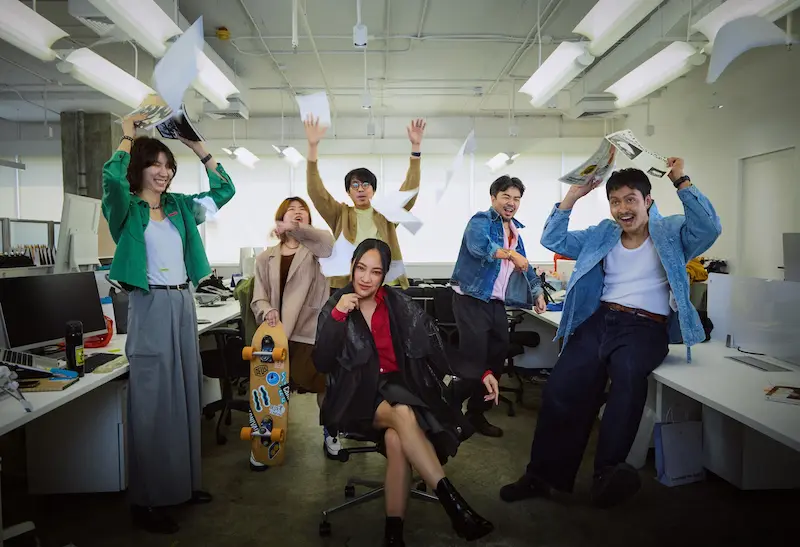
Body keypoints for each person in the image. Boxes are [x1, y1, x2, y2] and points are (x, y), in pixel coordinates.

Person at [500, 159, 721, 508]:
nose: (622, 209)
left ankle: (608, 474)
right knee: (561, 388)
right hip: (601, 319)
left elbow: (709, 228)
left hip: (646, 326)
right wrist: (573, 196)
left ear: (647, 201)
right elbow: (552, 238)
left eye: (630, 199)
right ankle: (541, 477)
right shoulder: (603, 233)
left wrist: (681, 180)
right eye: (615, 201)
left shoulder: (671, 232)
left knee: (628, 380)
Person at [102, 113, 236, 534]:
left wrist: (196, 146)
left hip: (182, 302)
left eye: (168, 165)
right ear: (138, 168)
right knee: (153, 404)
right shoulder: (126, 209)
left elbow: (225, 190)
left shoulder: (180, 207)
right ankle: (147, 500)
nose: (163, 172)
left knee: (184, 395)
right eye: (154, 165)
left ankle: (183, 484)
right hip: (150, 304)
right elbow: (111, 179)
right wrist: (128, 135)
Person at [313, 239, 497, 546]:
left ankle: (393, 536)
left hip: (400, 390)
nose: (365, 278)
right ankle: (454, 506)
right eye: (361, 268)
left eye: (375, 272)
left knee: (396, 439)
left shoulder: (397, 303)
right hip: (356, 397)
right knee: (402, 413)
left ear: (384, 274)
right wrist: (338, 317)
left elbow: (437, 345)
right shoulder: (336, 305)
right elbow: (321, 362)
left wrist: (482, 372)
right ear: (352, 267)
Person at [450, 175, 547, 437]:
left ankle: (476, 414)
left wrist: (537, 292)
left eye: (516, 198)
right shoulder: (481, 221)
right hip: (471, 298)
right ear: (493, 198)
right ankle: (448, 407)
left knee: (496, 357)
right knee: (475, 362)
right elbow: (479, 247)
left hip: (495, 302)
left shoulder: (514, 231)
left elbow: (525, 266)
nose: (511, 203)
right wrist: (510, 254)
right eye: (506, 196)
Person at [250, 197, 341, 463]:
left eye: (302, 210)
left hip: (309, 331)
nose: (297, 213)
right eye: (291, 210)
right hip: (275, 334)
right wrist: (267, 310)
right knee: (271, 391)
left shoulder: (316, 250)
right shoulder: (265, 257)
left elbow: (328, 242)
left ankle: (331, 432)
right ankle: (264, 440)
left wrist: (296, 228)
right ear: (280, 217)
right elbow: (258, 297)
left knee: (323, 385)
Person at [304, 116, 425, 291]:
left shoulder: (386, 214)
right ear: (348, 192)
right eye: (355, 185)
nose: (360, 189)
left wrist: (416, 149)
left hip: (384, 284)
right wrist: (312, 148)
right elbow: (316, 192)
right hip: (347, 284)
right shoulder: (340, 214)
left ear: (373, 190)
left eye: (365, 184)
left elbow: (409, 192)